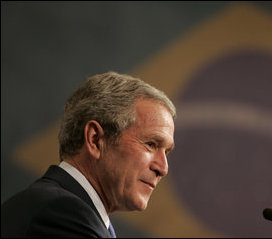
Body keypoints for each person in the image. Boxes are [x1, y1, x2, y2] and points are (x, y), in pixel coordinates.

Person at [1, 71, 176, 237]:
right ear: (95, 139)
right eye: (151, 144)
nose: (163, 168)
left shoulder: (74, 212)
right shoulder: (62, 214)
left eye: (166, 152)